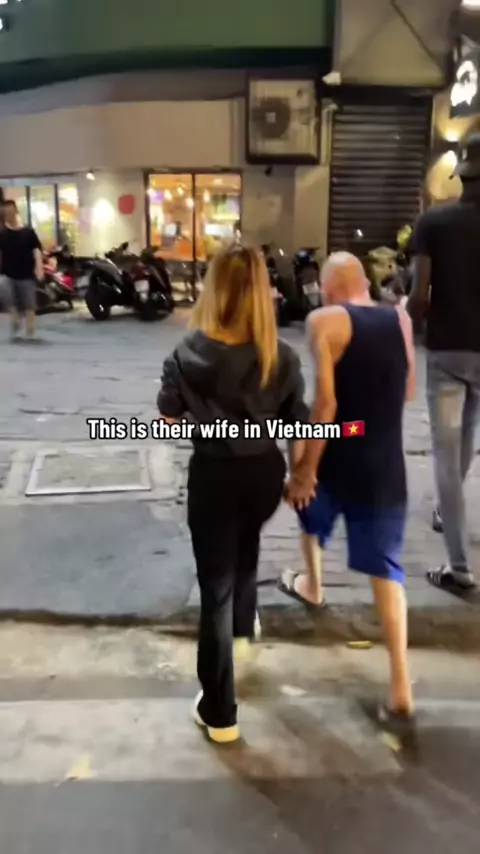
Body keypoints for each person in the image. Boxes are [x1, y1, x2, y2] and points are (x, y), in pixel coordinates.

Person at [157, 245, 307, 744]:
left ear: (213, 290)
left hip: (214, 475)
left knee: (214, 590)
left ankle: (219, 710)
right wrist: (301, 475)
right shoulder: (280, 356)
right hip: (264, 473)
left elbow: (168, 418)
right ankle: (244, 630)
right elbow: (297, 423)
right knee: (246, 545)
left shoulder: (187, 353)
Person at [283, 252, 416, 729]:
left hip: (335, 456)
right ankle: (401, 686)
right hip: (383, 465)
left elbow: (326, 404)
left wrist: (305, 470)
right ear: (364, 283)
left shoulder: (323, 320)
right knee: (387, 572)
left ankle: (313, 585)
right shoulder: (400, 319)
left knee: (306, 500)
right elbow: (407, 391)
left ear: (328, 288)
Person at [408, 133, 480, 599]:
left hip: (449, 350)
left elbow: (419, 297)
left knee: (446, 452)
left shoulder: (434, 222)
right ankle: (444, 513)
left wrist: (405, 325)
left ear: (463, 176)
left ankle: (460, 569)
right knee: (466, 439)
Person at [0, 200, 43, 341]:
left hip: (26, 274)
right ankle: (15, 323)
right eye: (5, 213)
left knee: (30, 305)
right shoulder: (2, 234)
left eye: (10, 212)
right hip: (7, 275)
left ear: (16, 212)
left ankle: (30, 332)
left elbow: (37, 250)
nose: (8, 215)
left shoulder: (28, 232)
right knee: (9, 300)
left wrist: (39, 267)